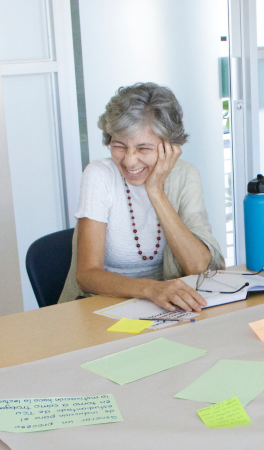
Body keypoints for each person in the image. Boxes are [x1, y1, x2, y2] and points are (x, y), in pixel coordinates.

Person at [58, 82, 225, 309]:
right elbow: (87, 276)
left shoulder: (186, 176)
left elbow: (197, 266)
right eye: (119, 145)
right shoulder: (98, 175)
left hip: (163, 310)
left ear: (169, 146)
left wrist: (155, 191)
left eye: (143, 148)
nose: (129, 160)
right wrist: (150, 289)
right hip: (98, 308)